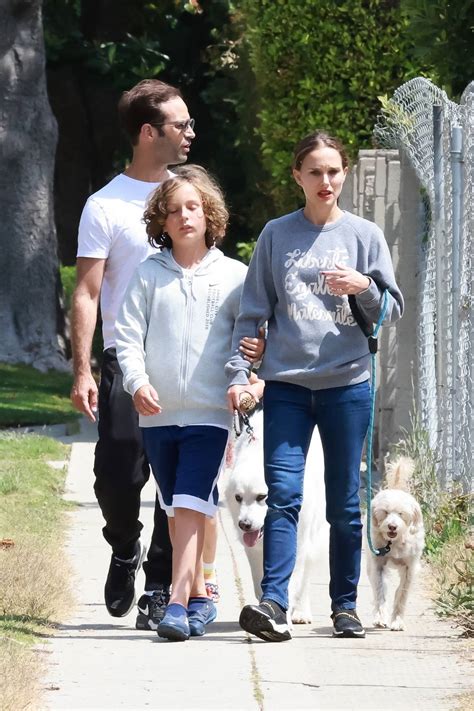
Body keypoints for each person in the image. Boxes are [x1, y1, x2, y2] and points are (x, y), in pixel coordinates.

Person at [70, 79, 260, 630]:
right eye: (181, 124)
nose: (190, 133)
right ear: (149, 132)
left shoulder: (191, 194)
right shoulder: (104, 205)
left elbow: (222, 280)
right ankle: (124, 546)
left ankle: (162, 585)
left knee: (179, 484)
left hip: (194, 369)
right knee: (118, 472)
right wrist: (84, 368)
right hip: (127, 362)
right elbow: (87, 292)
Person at [226, 130, 404, 642]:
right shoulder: (276, 236)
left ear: (344, 174)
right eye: (315, 172)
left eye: (333, 171)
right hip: (285, 387)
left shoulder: (364, 235)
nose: (325, 181)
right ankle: (274, 604)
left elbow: (391, 307)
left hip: (348, 385)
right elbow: (252, 314)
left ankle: (344, 606)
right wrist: (241, 376)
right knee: (283, 495)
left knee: (345, 503)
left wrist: (363, 287)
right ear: (297, 176)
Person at [115, 165, 264, 641]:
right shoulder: (146, 275)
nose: (184, 217)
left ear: (209, 214)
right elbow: (125, 337)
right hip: (157, 415)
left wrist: (252, 371)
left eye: (193, 208)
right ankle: (200, 597)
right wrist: (137, 382)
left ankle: (177, 605)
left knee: (190, 500)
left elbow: (254, 336)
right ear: (161, 221)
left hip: (209, 413)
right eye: (174, 210)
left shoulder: (235, 277)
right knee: (179, 511)